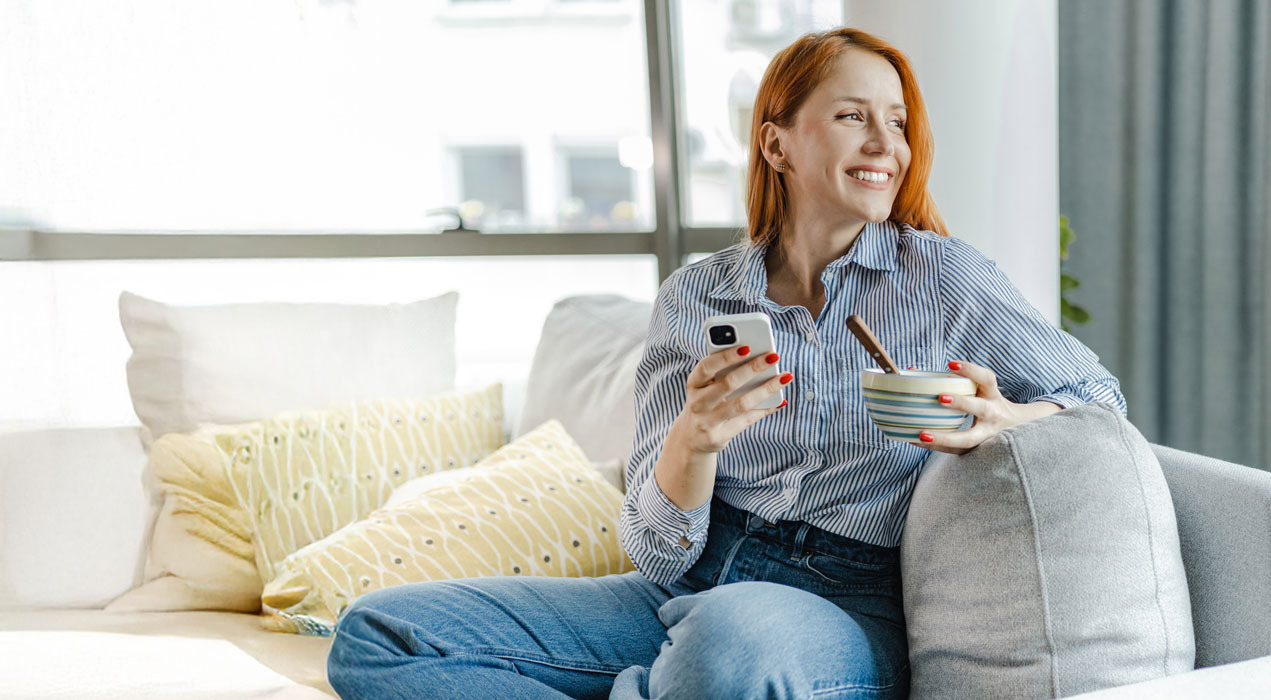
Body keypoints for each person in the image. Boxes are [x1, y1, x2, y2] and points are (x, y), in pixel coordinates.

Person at [326, 27, 1122, 700]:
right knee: (378, 634)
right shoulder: (695, 297)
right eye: (853, 117)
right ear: (777, 140)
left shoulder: (943, 277)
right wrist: (694, 441)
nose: (887, 144)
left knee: (731, 647)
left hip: (841, 602)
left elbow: (1096, 397)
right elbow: (658, 549)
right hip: (690, 581)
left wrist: (1003, 416)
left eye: (898, 123)